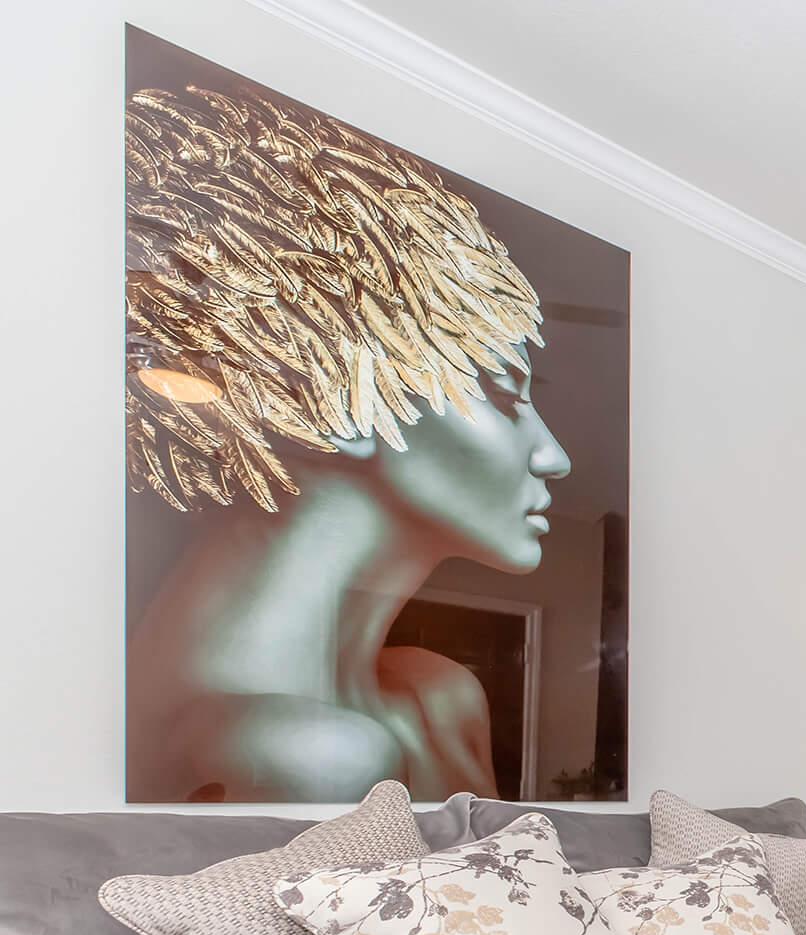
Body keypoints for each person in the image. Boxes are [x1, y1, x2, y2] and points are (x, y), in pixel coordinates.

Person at [123, 81, 569, 802]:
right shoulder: (298, 750)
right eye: (500, 394)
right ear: (330, 400)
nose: (555, 456)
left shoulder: (438, 697)